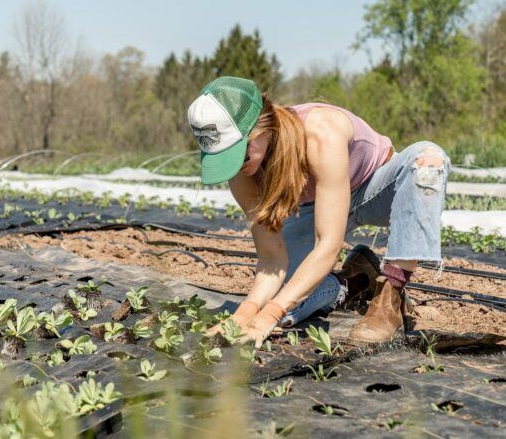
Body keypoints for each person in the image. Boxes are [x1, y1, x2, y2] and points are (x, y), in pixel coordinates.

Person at [187, 76, 450, 347]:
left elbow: (328, 245)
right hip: (316, 207)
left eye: (238, 153)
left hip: (375, 189)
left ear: (262, 127)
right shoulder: (242, 173)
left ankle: (390, 297)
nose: (236, 166)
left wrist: (268, 316)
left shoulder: (319, 132)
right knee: (286, 305)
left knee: (428, 160)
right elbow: (271, 260)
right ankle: (355, 280)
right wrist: (246, 313)